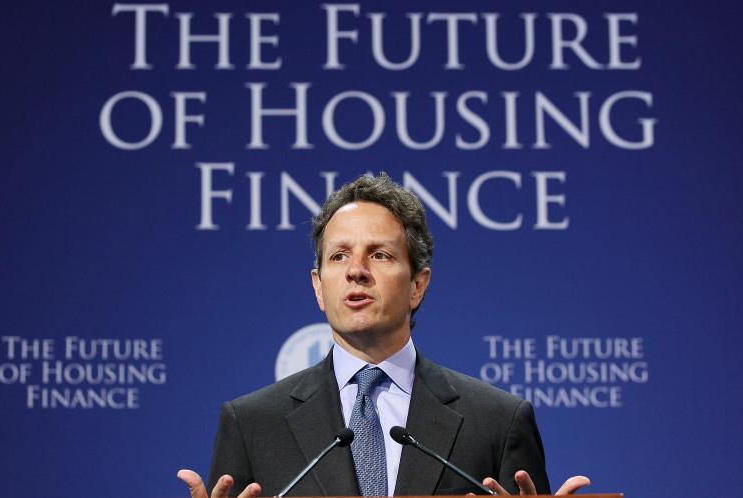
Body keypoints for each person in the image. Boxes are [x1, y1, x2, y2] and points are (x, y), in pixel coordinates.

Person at [178, 174, 590, 498]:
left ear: (417, 284)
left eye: (379, 254)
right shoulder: (252, 424)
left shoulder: (497, 422)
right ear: (319, 287)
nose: (356, 270)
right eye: (339, 256)